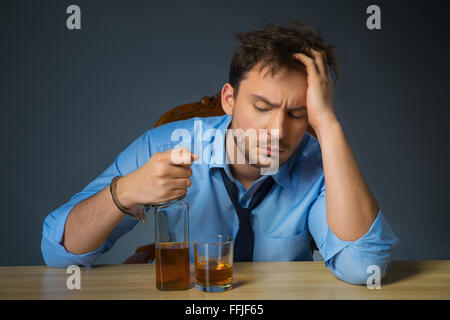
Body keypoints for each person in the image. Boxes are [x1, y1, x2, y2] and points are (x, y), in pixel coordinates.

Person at [41, 21, 399, 285]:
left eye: (296, 113)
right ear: (229, 100)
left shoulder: (321, 164)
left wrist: (329, 125)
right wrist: (125, 192)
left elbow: (363, 267)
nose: (277, 130)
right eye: (262, 106)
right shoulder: (163, 146)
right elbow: (59, 256)